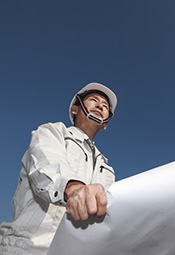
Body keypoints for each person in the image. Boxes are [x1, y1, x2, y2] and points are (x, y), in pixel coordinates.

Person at [0, 82, 117, 255]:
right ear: (74, 109)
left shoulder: (107, 169)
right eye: (94, 100)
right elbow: (47, 162)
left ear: (106, 123)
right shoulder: (52, 132)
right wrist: (73, 188)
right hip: (29, 248)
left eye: (105, 106)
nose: (100, 105)